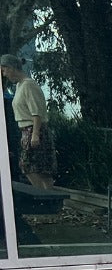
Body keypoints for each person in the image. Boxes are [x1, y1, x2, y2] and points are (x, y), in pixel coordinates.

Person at [0, 53, 56, 189]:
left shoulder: (28, 85)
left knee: (35, 167)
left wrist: (35, 134)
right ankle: (42, 194)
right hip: (25, 129)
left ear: (12, 68)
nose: (4, 74)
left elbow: (36, 112)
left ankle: (45, 195)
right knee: (30, 167)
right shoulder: (19, 86)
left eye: (4, 70)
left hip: (34, 129)